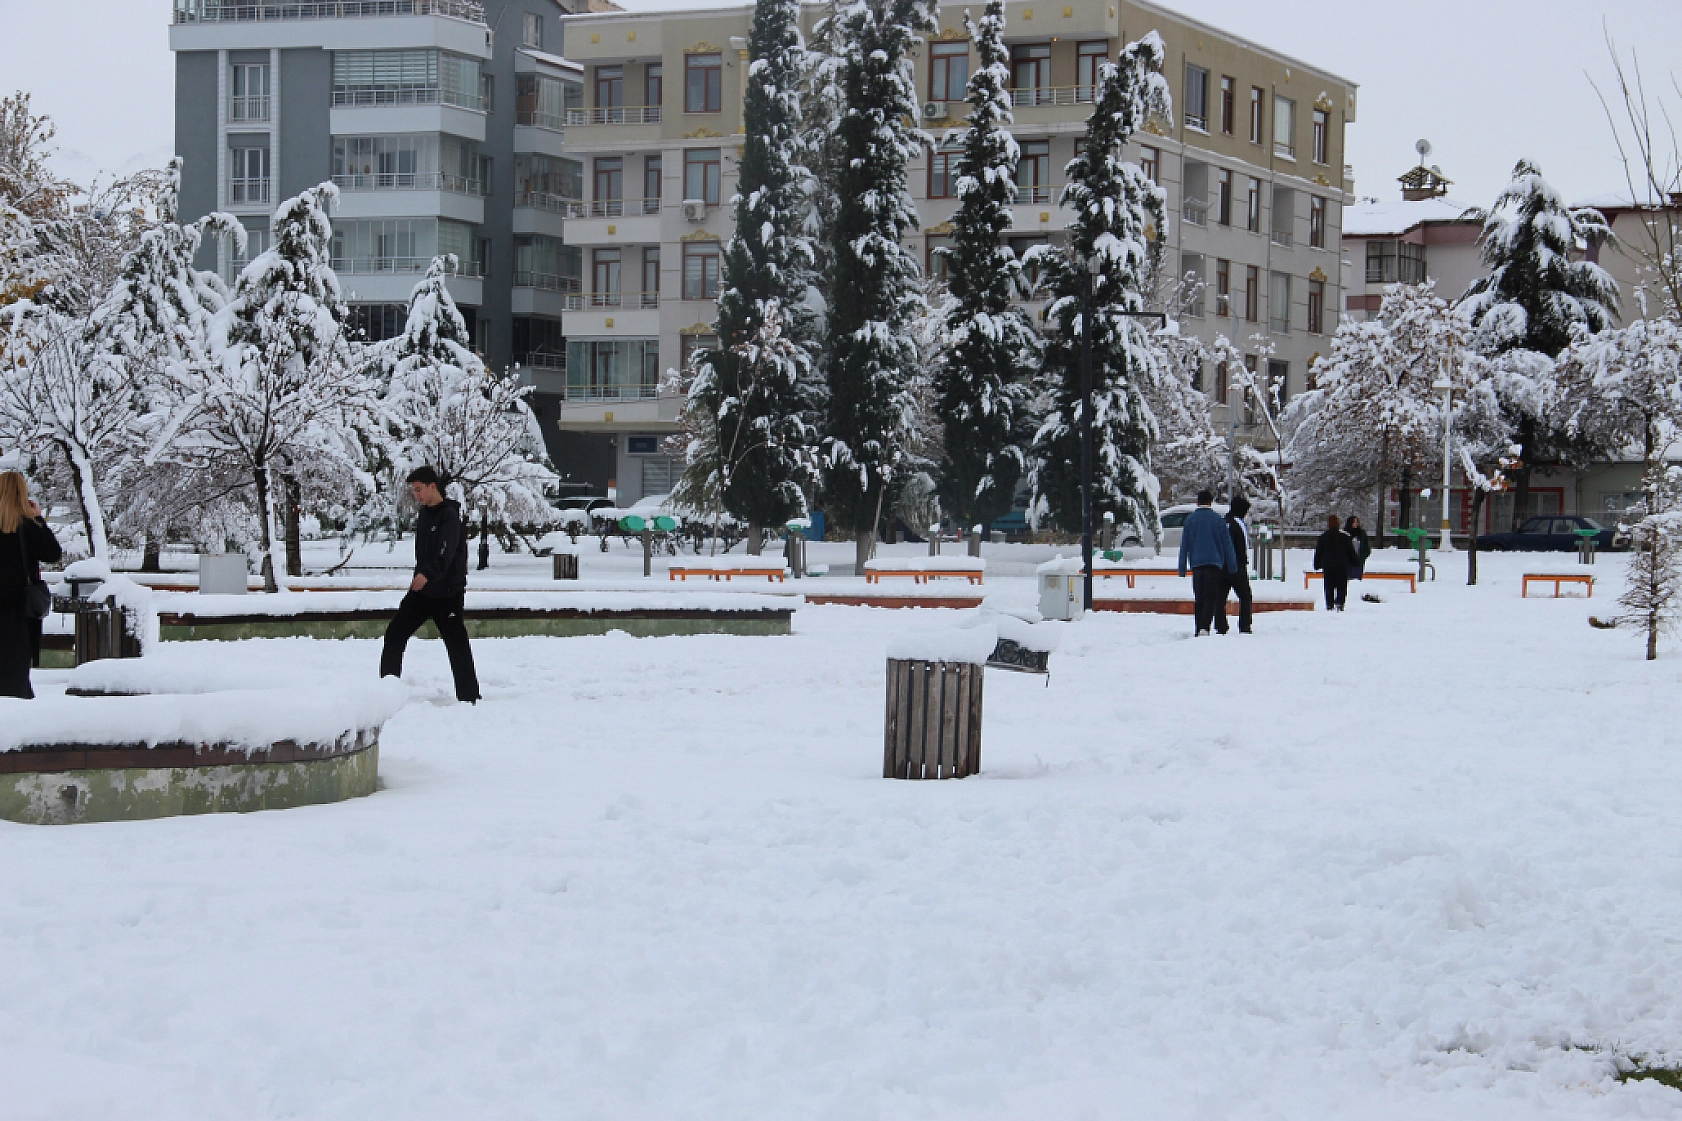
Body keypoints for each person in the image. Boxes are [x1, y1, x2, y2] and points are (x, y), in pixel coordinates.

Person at [379, 467, 481, 704]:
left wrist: (427, 573)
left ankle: (470, 698)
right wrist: (420, 576)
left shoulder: (450, 517)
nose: (417, 495)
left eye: (419, 490)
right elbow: (423, 554)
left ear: (432, 486)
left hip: (448, 593)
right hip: (422, 593)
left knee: (457, 645)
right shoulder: (425, 515)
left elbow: (445, 553)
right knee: (395, 634)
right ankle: (386, 692)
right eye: (414, 491)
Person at [0, 471, 63, 700]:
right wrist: (39, 520)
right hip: (20, 608)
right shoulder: (28, 525)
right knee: (15, 667)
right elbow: (52, 554)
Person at [1176, 489, 1237, 637]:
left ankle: (1199, 627)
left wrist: (1182, 567)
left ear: (1197, 502)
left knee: (1199, 597)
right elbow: (1227, 544)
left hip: (1197, 564)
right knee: (1211, 597)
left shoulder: (1190, 520)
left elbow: (1184, 545)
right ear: (1211, 502)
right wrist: (1232, 565)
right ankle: (1205, 626)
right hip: (1214, 564)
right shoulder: (1218, 520)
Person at [1216, 493, 1254, 635]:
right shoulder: (1239, 524)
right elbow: (1243, 546)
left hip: (1221, 566)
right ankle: (1244, 625)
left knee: (1220, 598)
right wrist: (1243, 562)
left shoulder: (1223, 521)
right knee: (1245, 596)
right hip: (1237, 566)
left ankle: (1221, 626)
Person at [1313, 513, 1359, 612]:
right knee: (1341, 586)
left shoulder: (1323, 538)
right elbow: (1351, 552)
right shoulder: (1345, 538)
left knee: (1329, 586)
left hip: (1328, 566)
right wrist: (1356, 562)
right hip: (1342, 566)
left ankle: (1329, 605)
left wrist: (1317, 564)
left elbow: (1319, 552)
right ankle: (1340, 604)